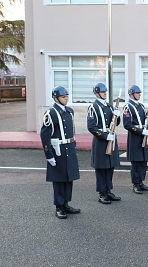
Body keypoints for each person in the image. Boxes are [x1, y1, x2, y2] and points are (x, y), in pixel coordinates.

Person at [40, 86, 81, 219]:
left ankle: (66, 203)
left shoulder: (69, 111)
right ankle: (59, 206)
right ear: (56, 98)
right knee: (58, 180)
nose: (66, 99)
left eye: (67, 96)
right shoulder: (50, 113)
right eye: (63, 97)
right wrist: (49, 155)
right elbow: (45, 136)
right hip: (58, 151)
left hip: (69, 147)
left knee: (69, 178)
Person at [87, 83, 122, 204]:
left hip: (111, 138)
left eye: (105, 91)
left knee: (110, 166)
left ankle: (108, 190)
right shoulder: (93, 107)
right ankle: (102, 193)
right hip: (101, 140)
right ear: (96, 93)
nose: (105, 93)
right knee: (102, 168)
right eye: (103, 92)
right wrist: (106, 136)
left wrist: (117, 116)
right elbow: (91, 127)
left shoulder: (109, 106)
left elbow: (115, 123)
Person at [122, 85, 148, 194]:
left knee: (143, 160)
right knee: (136, 162)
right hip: (135, 136)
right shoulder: (128, 107)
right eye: (137, 93)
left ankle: (141, 182)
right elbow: (127, 124)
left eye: (139, 93)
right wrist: (140, 131)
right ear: (131, 94)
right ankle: (135, 183)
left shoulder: (141, 106)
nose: (139, 94)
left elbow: (146, 121)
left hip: (143, 135)